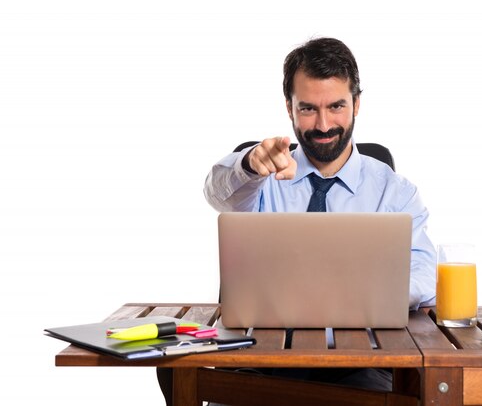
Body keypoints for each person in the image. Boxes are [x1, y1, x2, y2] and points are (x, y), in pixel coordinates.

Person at [158, 37, 436, 404]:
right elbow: (217, 192)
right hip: (258, 359)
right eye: (307, 109)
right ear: (289, 109)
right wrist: (249, 165)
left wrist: (355, 296)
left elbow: (423, 274)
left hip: (359, 365)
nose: (323, 124)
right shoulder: (260, 177)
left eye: (336, 106)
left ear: (356, 104)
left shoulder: (395, 192)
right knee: (177, 371)